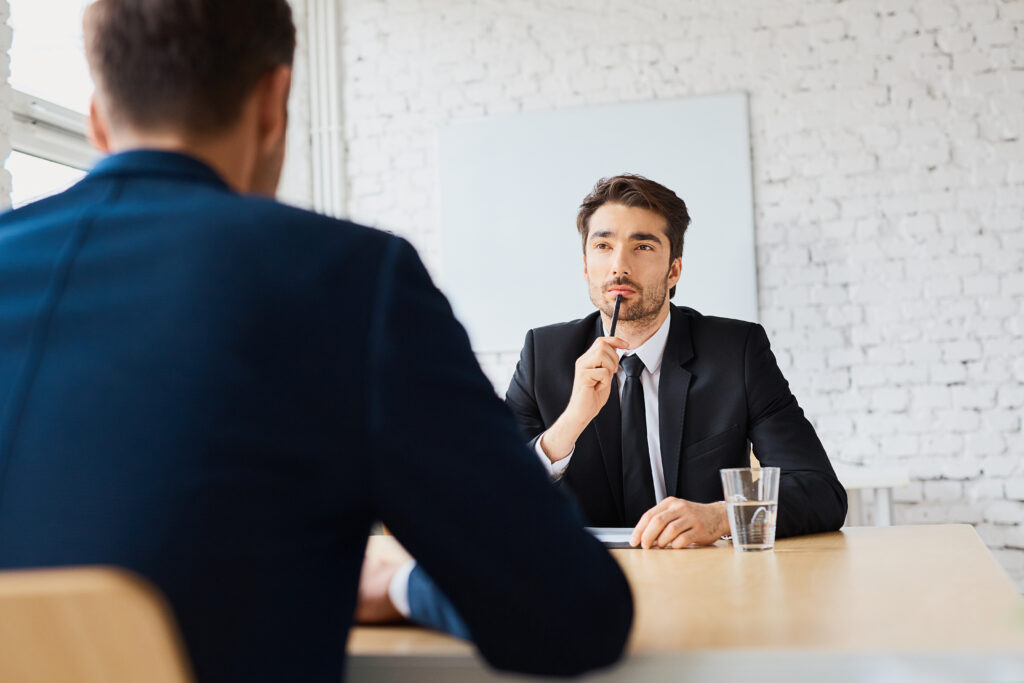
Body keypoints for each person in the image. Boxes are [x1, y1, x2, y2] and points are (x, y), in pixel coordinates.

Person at [0, 1, 632, 681]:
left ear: (98, 118)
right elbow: (570, 609)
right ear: (274, 103)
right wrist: (398, 582)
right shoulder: (349, 280)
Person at [505, 174, 848, 548]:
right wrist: (570, 424)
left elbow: (821, 491)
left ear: (674, 271)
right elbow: (491, 492)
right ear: (586, 266)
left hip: (703, 580)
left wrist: (722, 515)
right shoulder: (543, 354)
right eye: (603, 245)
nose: (619, 266)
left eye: (643, 247)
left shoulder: (737, 352)